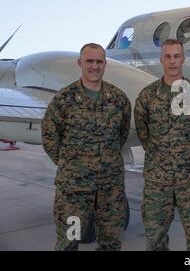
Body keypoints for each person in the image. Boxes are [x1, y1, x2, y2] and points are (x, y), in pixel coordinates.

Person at [42, 43, 131, 251]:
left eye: (99, 61)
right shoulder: (64, 100)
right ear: (80, 63)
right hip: (74, 190)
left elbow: (122, 133)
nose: (94, 66)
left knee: (110, 241)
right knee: (69, 241)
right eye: (90, 61)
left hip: (110, 188)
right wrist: (71, 165)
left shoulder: (118, 99)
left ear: (105, 64)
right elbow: (49, 137)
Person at [134, 39, 190, 251]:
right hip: (158, 181)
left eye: (176, 56)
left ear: (183, 59)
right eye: (167, 56)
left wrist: (188, 155)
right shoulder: (147, 96)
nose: (172, 61)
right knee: (155, 237)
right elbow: (144, 135)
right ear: (161, 59)